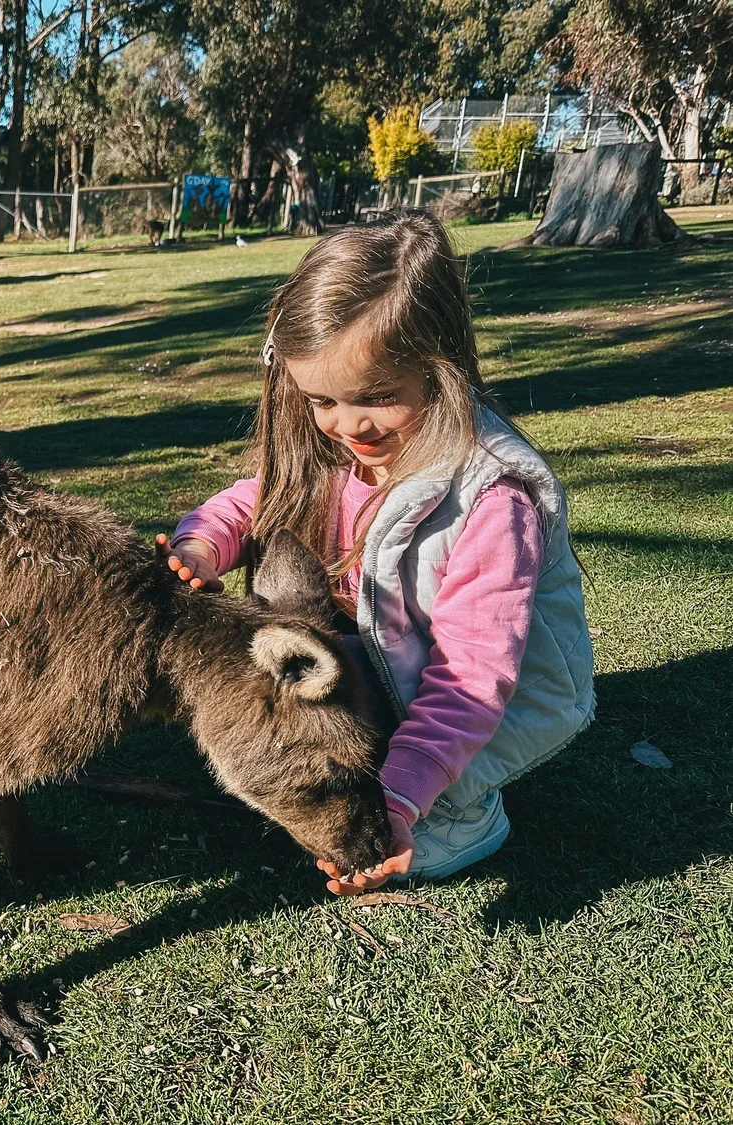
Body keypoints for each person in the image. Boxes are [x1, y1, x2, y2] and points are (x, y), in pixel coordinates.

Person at [157, 210, 595, 894]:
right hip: (379, 655)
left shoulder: (491, 501)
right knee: (284, 560)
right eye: (321, 399)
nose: (348, 423)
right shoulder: (334, 451)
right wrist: (202, 546)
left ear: (440, 368)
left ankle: (459, 809)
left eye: (380, 396)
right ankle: (377, 759)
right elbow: (248, 500)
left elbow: (472, 676)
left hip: (483, 696)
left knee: (420, 793)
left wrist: (395, 799)